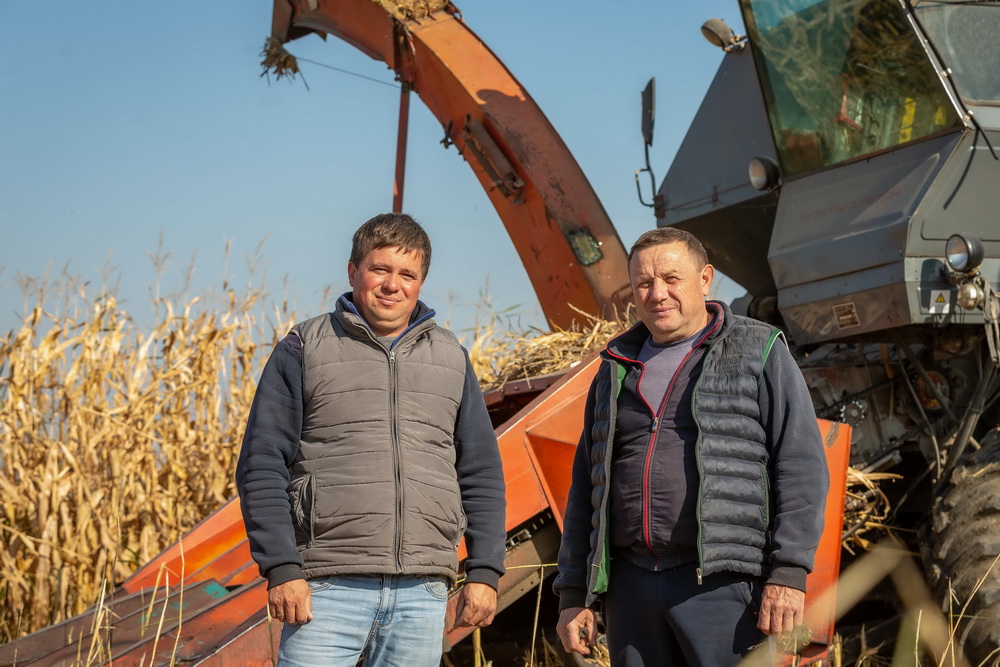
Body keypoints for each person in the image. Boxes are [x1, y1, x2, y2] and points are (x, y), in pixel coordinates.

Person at [236, 213, 506, 667]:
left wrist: (484, 571)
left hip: (422, 590)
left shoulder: (451, 358)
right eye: (379, 269)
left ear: (420, 282)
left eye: (407, 274)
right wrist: (282, 568)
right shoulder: (304, 347)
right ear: (353, 271)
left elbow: (480, 472)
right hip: (325, 588)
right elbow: (261, 464)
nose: (392, 285)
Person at [553, 227, 829, 666]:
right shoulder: (614, 368)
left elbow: (801, 467)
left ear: (705, 279)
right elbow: (588, 486)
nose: (657, 294)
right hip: (632, 587)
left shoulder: (758, 349)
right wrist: (573, 592)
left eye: (671, 279)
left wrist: (789, 572)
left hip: (723, 587)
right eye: (644, 283)